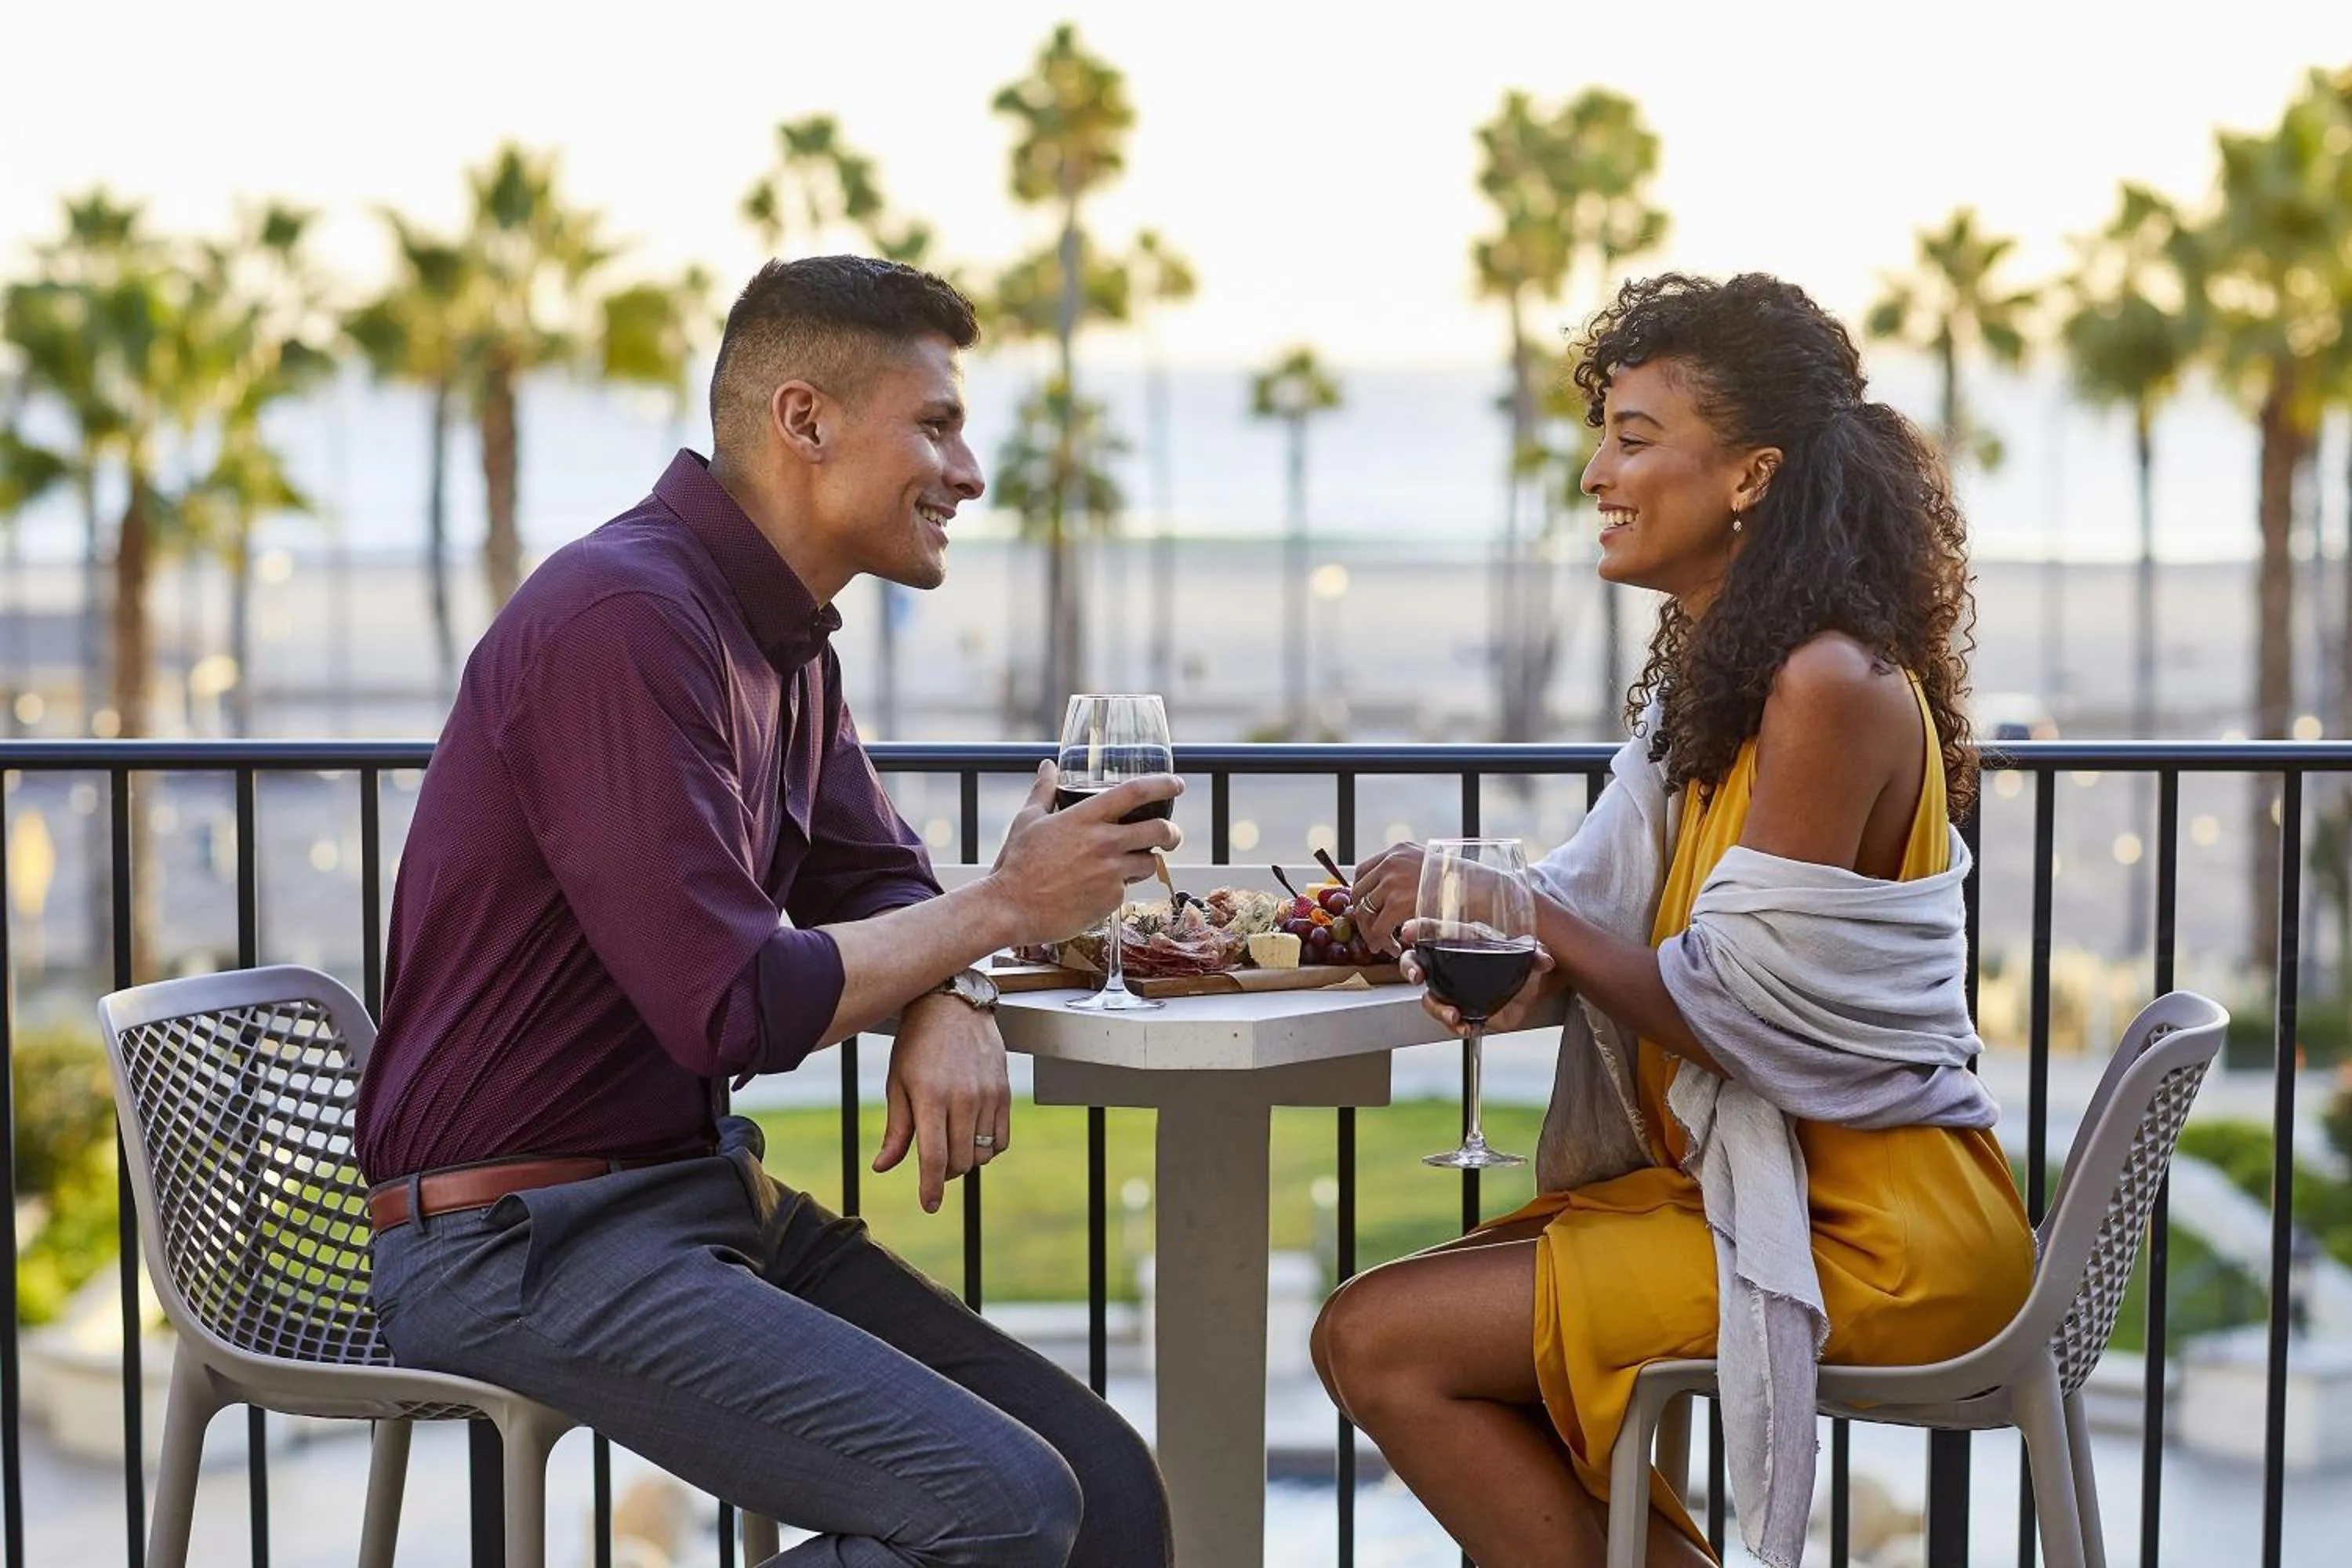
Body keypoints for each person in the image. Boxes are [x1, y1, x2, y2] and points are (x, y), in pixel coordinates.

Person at [355, 255, 1179, 1568]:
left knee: (1104, 1485)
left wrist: (955, 989)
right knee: (1001, 1510)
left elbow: (877, 876)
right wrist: (1000, 909)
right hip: (512, 1242)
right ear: (806, 421)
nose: (969, 475)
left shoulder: (783, 640)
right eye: (938, 425)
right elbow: (729, 1003)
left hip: (689, 1200)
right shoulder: (625, 620)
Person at [1318, 273, 2034, 1568]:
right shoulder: (1721, 686)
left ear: (1752, 476)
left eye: (1634, 439)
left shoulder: (1825, 683)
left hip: (1880, 1236)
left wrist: (1522, 914)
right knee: (1389, 1331)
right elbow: (1600, 921)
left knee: (1379, 1341)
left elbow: (1735, 1011)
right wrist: (1499, 934)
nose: (1597, 473)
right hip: (1773, 1197)